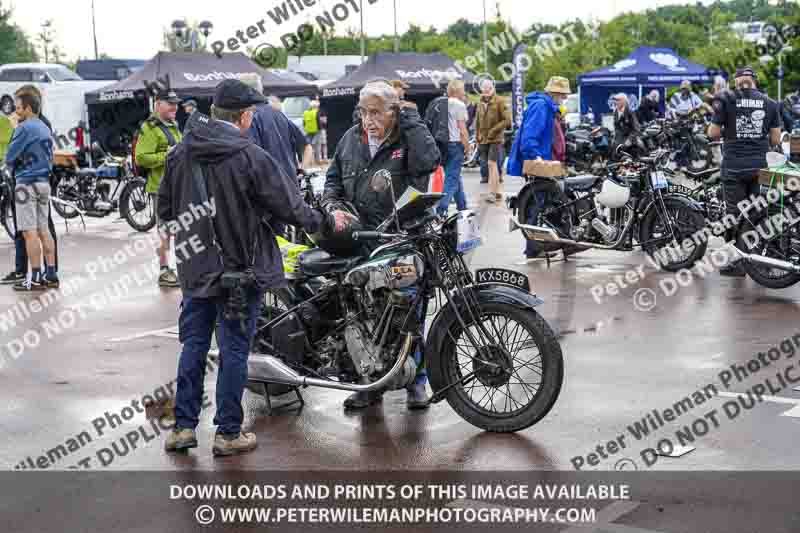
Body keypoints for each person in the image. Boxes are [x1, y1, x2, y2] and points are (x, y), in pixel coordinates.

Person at [158, 79, 328, 457]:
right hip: (241, 272)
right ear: (245, 116)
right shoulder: (250, 156)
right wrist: (325, 222)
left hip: (196, 272)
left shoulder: (179, 153)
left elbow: (166, 214)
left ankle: (183, 429)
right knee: (234, 349)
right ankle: (228, 433)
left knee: (194, 346)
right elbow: (291, 208)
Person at [322, 80, 440, 409]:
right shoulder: (350, 139)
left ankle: (417, 381)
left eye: (376, 112)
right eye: (363, 112)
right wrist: (333, 206)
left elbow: (430, 160)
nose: (368, 120)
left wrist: (410, 119)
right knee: (364, 313)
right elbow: (332, 180)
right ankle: (370, 382)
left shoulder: (408, 136)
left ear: (393, 111)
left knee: (409, 313)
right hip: (362, 240)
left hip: (402, 238)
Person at [708, 66, 782, 277]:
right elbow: (776, 139)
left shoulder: (725, 100)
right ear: (754, 81)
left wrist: (728, 129)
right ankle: (763, 259)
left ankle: (739, 263)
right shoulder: (770, 103)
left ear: (736, 81)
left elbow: (712, 133)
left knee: (735, 216)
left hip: (733, 167)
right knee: (759, 213)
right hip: (760, 167)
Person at [507, 76, 571, 259]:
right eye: (562, 95)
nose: (564, 99)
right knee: (537, 206)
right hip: (541, 162)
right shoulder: (541, 106)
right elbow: (529, 136)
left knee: (545, 204)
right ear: (555, 93)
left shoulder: (548, 107)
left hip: (547, 161)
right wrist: (536, 157)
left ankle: (551, 243)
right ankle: (533, 248)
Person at [1, 85, 59, 286]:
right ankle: (51, 275)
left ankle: (34, 278)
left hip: (26, 185)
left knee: (29, 232)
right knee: (44, 229)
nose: (16, 110)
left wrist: (15, 127)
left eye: (18, 107)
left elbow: (9, 155)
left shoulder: (24, 128)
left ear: (27, 107)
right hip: (44, 183)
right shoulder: (44, 127)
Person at [135, 89, 183, 288]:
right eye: (169, 103)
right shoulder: (150, 128)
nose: (174, 107)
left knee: (180, 230)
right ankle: (164, 270)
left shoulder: (173, 125)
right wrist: (167, 155)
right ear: (157, 104)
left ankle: (182, 269)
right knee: (165, 232)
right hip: (161, 188)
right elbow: (141, 157)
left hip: (178, 186)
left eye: (176, 103)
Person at [241, 73, 311, 177]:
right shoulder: (279, 115)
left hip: (269, 188)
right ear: (260, 90)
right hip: (291, 185)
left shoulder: (249, 118)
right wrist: (301, 172)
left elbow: (252, 159)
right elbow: (307, 147)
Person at [437, 80, 470, 216]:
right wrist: (467, 146)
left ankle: (462, 207)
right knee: (451, 178)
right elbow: (462, 130)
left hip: (442, 144)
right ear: (457, 91)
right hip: (455, 144)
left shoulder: (440, 103)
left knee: (454, 176)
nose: (464, 92)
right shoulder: (459, 105)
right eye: (462, 90)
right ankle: (440, 210)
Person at [475, 79, 510, 203]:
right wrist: (477, 135)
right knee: (489, 166)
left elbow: (507, 120)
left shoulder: (500, 101)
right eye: (484, 90)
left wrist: (494, 131)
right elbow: (477, 121)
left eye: (488, 89)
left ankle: (492, 193)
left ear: (493, 88)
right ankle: (496, 191)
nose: (486, 92)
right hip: (483, 140)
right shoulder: (479, 102)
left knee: (492, 164)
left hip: (495, 139)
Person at [303, 99, 323, 164]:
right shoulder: (316, 112)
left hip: (308, 131)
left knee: (310, 146)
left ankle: (311, 161)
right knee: (317, 146)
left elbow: (304, 123)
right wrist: (321, 129)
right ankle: (318, 160)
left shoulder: (305, 112)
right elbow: (319, 122)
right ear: (315, 106)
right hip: (317, 131)